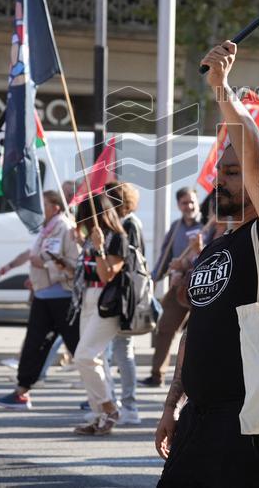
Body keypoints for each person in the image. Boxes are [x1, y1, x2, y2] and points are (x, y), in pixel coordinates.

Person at [155, 41, 259, 488]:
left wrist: (223, 93)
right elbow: (195, 328)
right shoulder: (218, 243)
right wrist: (172, 406)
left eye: (232, 171)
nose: (219, 180)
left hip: (253, 423)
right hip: (199, 422)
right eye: (221, 171)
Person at [0, 191, 79, 410]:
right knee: (34, 344)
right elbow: (33, 254)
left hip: (62, 297)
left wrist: (46, 268)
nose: (41, 209)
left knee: (78, 348)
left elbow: (72, 263)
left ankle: (102, 397)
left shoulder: (66, 228)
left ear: (56, 207)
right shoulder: (47, 229)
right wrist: (22, 271)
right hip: (44, 296)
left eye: (45, 204)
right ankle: (22, 392)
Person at [70, 192, 126, 436]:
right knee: (96, 359)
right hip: (88, 298)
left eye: (84, 216)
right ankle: (99, 415)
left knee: (84, 356)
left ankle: (109, 408)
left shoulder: (118, 237)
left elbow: (107, 275)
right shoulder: (88, 239)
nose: (82, 222)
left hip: (108, 301)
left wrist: (101, 248)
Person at [142, 187, 204, 387]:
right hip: (179, 288)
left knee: (199, 334)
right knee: (164, 328)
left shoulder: (208, 226)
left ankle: (196, 379)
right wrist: (153, 278)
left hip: (202, 288)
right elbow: (164, 257)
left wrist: (185, 264)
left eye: (192, 201)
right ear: (179, 205)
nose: (190, 206)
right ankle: (156, 375)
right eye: (185, 203)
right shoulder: (176, 227)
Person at [103, 181, 144, 425]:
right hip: (121, 294)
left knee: (123, 349)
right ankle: (117, 402)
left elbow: (127, 261)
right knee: (117, 349)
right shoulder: (124, 223)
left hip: (125, 295)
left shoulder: (128, 224)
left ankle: (129, 405)